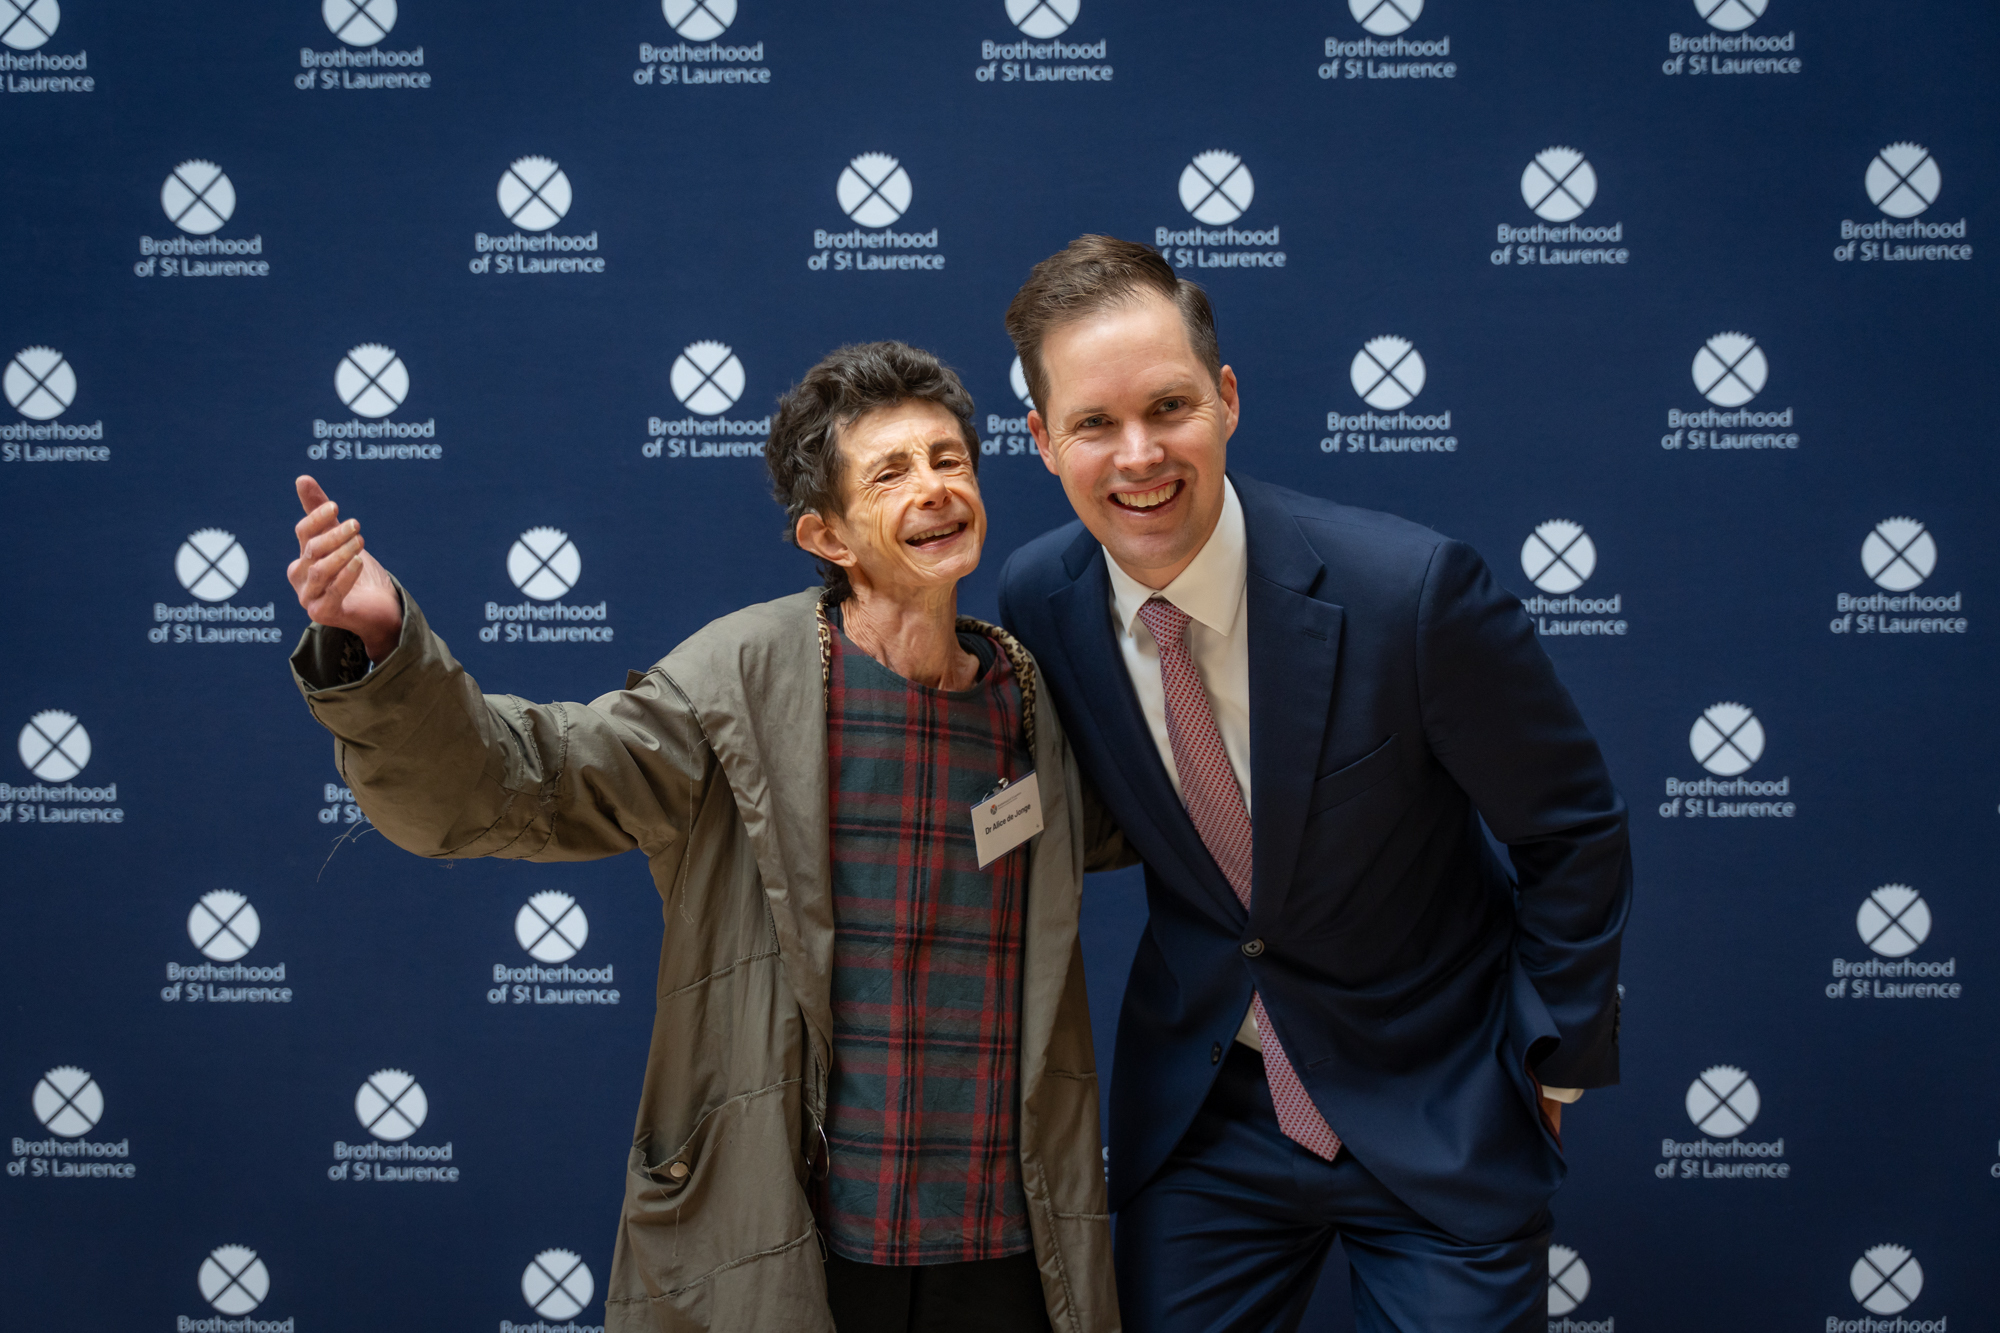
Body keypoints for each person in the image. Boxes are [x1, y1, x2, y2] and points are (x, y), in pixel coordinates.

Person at [286, 342, 1126, 1333]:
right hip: (794, 1248)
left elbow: (1181, 816)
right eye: (891, 472)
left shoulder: (1029, 698)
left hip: (1002, 1250)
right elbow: (523, 778)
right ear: (827, 534)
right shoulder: (736, 686)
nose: (936, 488)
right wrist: (385, 651)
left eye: (948, 460)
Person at [995, 236, 1632, 1332]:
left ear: (1227, 399)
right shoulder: (1038, 597)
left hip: (1433, 1101)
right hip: (1205, 1120)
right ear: (1043, 440)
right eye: (1095, 424)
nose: (1138, 454)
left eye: (1169, 406)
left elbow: (1570, 825)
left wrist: (1553, 1060)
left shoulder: (1411, 595)